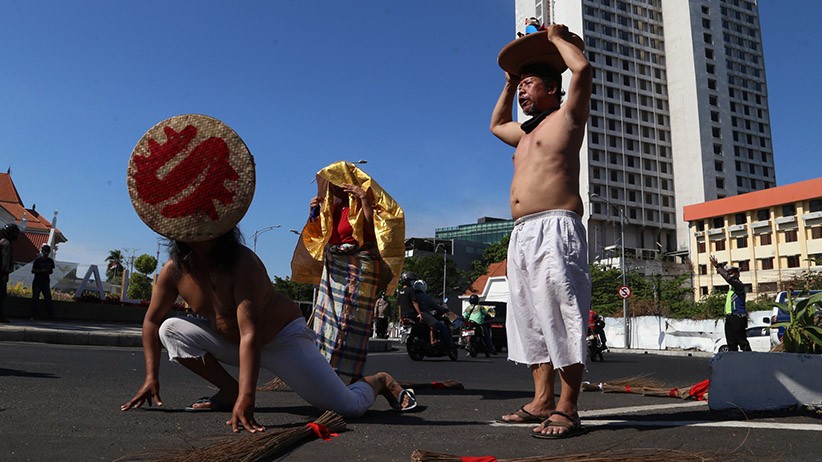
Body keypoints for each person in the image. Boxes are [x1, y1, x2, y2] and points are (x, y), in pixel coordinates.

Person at [121, 114, 417, 434]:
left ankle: (378, 380)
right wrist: (152, 376)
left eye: (208, 235)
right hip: (231, 342)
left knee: (347, 407)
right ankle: (228, 389)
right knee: (170, 329)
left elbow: (251, 332)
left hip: (281, 339)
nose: (201, 243)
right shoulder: (173, 271)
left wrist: (249, 399)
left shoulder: (243, 264)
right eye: (192, 237)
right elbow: (151, 322)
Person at [490, 24, 592, 438]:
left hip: (556, 227)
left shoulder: (568, 117)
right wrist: (510, 80)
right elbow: (497, 125)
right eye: (520, 87)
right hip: (522, 232)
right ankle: (541, 400)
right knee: (528, 318)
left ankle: (568, 407)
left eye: (529, 85)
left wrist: (554, 40)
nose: (522, 94)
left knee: (560, 314)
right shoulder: (524, 133)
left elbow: (582, 69)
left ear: (552, 88)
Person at [292, 161, 405, 382]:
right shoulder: (331, 208)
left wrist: (363, 197)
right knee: (327, 319)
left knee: (351, 320)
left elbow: (372, 227)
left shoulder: (365, 204)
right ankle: (323, 367)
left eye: (336, 184)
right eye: (330, 186)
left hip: (360, 266)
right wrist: (313, 211)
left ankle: (348, 371)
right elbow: (318, 234)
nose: (332, 189)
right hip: (335, 266)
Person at [710, 255, 751, 352]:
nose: (729, 274)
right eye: (728, 273)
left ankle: (750, 361)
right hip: (730, 318)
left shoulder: (739, 286)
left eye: (731, 273)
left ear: (737, 274)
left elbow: (729, 279)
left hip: (738, 317)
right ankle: (733, 363)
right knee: (731, 343)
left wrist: (718, 267)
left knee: (742, 342)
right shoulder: (732, 290)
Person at [413, 279, 455, 349]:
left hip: (414, 317)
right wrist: (444, 310)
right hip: (424, 316)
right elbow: (436, 307)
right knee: (442, 326)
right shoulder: (425, 296)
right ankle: (449, 345)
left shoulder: (412, 295)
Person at [0, 223, 21, 323]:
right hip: (1, 274)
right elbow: (5, 259)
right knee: (1, 295)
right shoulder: (6, 244)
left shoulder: (2, 242)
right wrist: (6, 273)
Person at [30, 244, 56, 319]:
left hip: (45, 282)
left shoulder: (50, 261)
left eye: (47, 252)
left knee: (48, 299)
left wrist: (48, 271)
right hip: (37, 281)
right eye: (45, 251)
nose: (46, 253)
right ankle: (34, 315)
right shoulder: (38, 260)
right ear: (42, 251)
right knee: (35, 298)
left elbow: (51, 271)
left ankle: (50, 315)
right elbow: (33, 271)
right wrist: (42, 271)